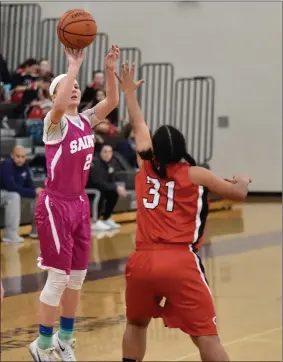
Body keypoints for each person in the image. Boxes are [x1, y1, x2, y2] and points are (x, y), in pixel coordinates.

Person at [115, 63, 251, 362]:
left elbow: (138, 126)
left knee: (136, 324)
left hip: (142, 260)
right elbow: (239, 194)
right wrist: (242, 179)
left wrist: (129, 94)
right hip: (179, 261)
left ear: (155, 151)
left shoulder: (145, 166)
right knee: (206, 336)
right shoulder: (196, 173)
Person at [28, 45, 120, 362]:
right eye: (69, 87)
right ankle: (41, 345)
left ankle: (65, 340)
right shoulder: (55, 125)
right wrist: (73, 67)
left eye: (78, 87)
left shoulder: (83, 120)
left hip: (79, 204)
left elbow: (112, 102)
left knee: (77, 278)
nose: (76, 89)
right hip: (55, 205)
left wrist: (109, 69)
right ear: (58, 94)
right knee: (58, 278)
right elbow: (57, 105)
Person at [0, 145, 42, 241]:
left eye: (23, 157)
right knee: (14, 197)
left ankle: (36, 231)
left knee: (39, 196)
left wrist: (36, 191)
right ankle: (9, 234)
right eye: (17, 156)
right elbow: (11, 187)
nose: (20, 159)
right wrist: (32, 191)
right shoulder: (7, 165)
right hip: (3, 191)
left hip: (13, 192)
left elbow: (29, 185)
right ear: (12, 156)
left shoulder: (25, 166)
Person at [87, 144, 128, 231]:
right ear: (100, 153)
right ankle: (95, 221)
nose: (107, 154)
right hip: (89, 190)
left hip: (100, 187)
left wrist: (117, 187)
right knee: (100, 191)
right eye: (105, 152)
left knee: (113, 192)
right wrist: (115, 187)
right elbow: (98, 182)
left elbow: (111, 181)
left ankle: (106, 218)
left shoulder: (111, 163)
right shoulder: (96, 163)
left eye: (110, 152)